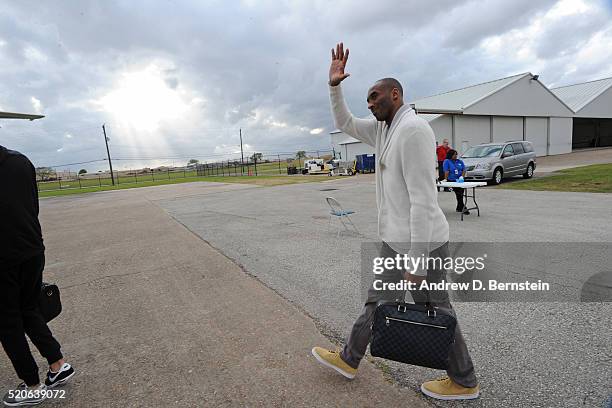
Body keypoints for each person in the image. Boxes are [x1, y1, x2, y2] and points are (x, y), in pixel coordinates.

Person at [311, 43, 479, 400]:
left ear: (395, 94)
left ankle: (464, 380)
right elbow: (343, 123)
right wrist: (334, 86)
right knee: (377, 301)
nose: (369, 104)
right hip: (395, 241)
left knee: (435, 309)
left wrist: (417, 261)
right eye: (368, 100)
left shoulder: (413, 130)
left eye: (375, 97)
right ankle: (349, 359)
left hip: (423, 245)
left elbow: (423, 200)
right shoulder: (383, 130)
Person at [0, 145, 75, 406]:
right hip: (31, 247)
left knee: (7, 322)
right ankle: (58, 365)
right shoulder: (21, 160)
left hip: (4, 256)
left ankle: (32, 386)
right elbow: (32, 205)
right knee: (29, 309)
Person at [442, 149, 470, 215]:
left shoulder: (459, 161)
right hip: (452, 180)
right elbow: (446, 171)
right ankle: (463, 207)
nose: (456, 155)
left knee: (460, 194)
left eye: (456, 154)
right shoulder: (447, 161)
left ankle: (459, 207)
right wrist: (445, 179)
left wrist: (462, 177)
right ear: (450, 155)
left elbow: (464, 170)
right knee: (459, 193)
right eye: (454, 154)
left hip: (460, 180)